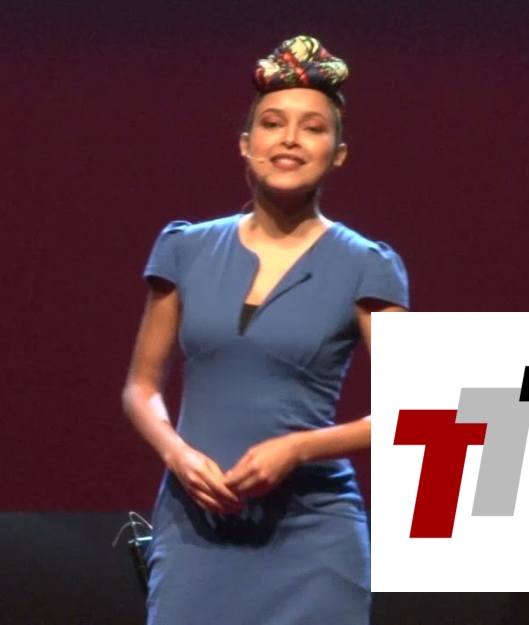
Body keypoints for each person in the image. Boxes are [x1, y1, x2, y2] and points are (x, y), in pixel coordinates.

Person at [121, 35, 409, 624]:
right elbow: (141, 387)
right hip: (194, 526)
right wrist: (177, 454)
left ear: (338, 154)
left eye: (312, 128)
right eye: (273, 124)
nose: (290, 139)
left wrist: (298, 447)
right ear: (246, 144)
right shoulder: (185, 249)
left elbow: (418, 410)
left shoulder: (366, 264)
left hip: (312, 535)